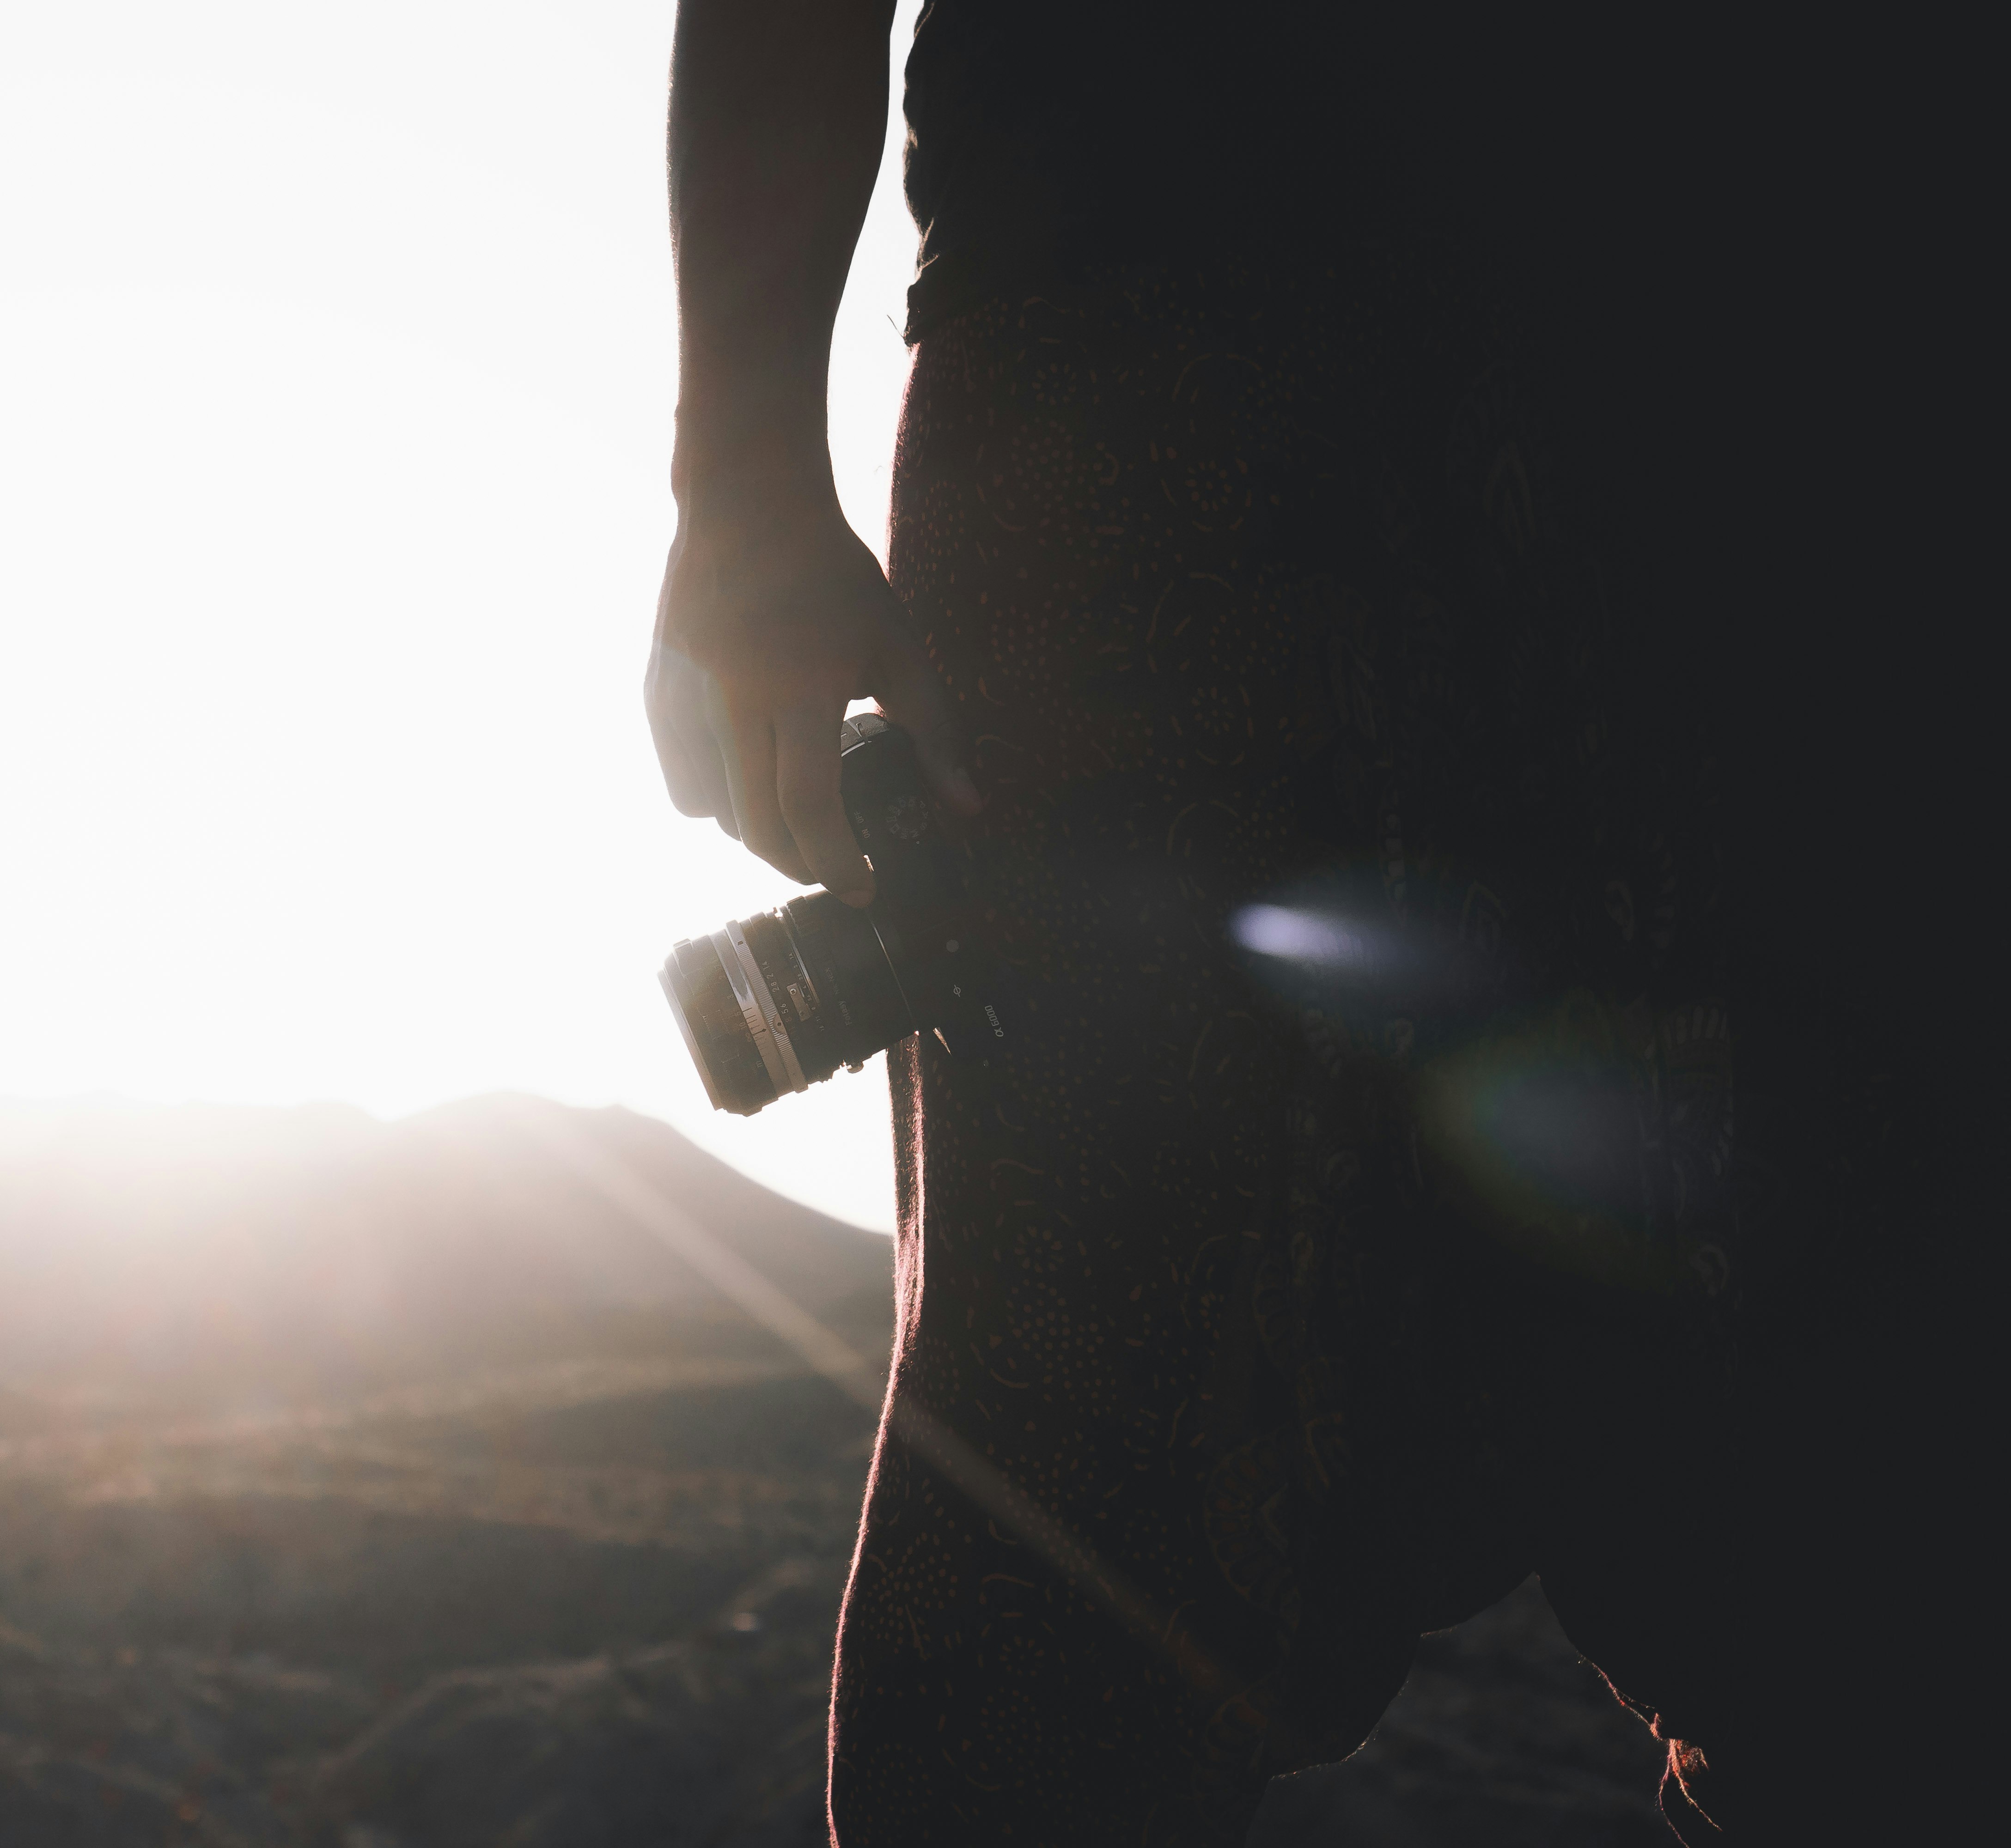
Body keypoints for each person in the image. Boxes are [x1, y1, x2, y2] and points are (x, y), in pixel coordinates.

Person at [646, 4, 1981, 1842]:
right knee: (1058, 1611)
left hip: (1772, 372)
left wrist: (742, 484)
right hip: (1163, 394)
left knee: (1891, 1591)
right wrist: (736, 479)